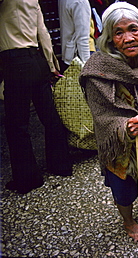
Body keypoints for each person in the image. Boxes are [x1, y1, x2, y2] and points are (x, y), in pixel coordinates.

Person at [79, 2, 138, 243]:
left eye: (134, 29)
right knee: (123, 189)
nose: (129, 38)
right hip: (119, 143)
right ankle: (129, 221)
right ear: (109, 40)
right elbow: (101, 116)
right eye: (118, 33)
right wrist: (124, 128)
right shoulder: (97, 70)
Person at [0, 0, 73, 194]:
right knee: (50, 117)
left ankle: (27, 179)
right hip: (37, 59)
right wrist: (51, 65)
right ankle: (61, 165)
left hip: (14, 62)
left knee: (16, 125)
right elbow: (43, 32)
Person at [58, 0, 92, 73]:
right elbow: (83, 38)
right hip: (78, 56)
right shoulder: (81, 2)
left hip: (68, 53)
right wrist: (87, 68)